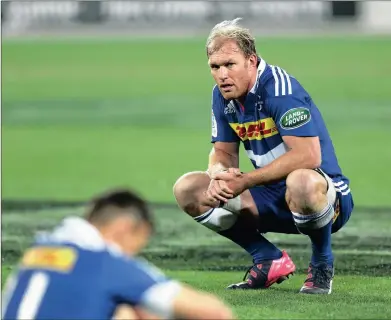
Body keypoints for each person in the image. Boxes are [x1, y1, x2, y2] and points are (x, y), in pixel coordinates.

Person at [173, 18, 354, 294]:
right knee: (188, 189)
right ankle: (267, 258)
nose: (222, 74)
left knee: (301, 181)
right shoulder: (222, 97)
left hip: (325, 200)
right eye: (215, 67)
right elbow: (223, 150)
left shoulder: (280, 90)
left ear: (251, 61)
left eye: (230, 64)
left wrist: (245, 181)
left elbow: (309, 156)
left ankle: (321, 262)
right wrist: (218, 173)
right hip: (270, 197)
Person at [2, 189, 234, 319]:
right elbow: (215, 312)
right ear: (125, 229)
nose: (134, 253)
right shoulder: (105, 263)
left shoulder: (38, 254)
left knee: (126, 311)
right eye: (139, 242)